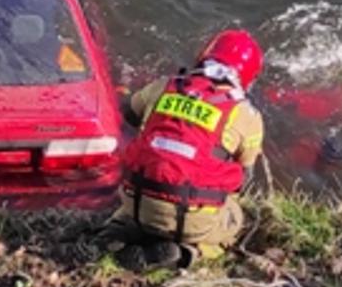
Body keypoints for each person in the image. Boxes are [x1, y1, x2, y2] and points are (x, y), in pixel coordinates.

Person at [106, 29, 266, 269]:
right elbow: (245, 175)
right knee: (237, 217)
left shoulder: (165, 86)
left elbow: (129, 112)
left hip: (137, 201)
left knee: (136, 199)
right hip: (192, 217)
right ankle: (191, 252)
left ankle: (118, 232)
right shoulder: (247, 115)